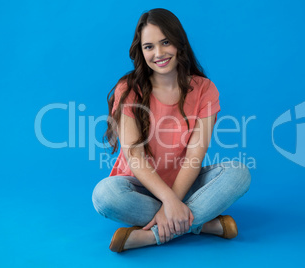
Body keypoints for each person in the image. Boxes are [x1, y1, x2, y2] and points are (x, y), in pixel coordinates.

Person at [92, 8, 251, 253]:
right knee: (104, 195)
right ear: (141, 51)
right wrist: (168, 202)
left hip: (186, 186)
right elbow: (135, 157)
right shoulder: (129, 89)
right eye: (149, 47)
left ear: (179, 42)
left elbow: (195, 156)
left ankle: (153, 236)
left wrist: (173, 200)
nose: (158, 53)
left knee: (239, 174)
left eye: (165, 42)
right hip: (141, 187)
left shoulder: (204, 90)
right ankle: (202, 225)